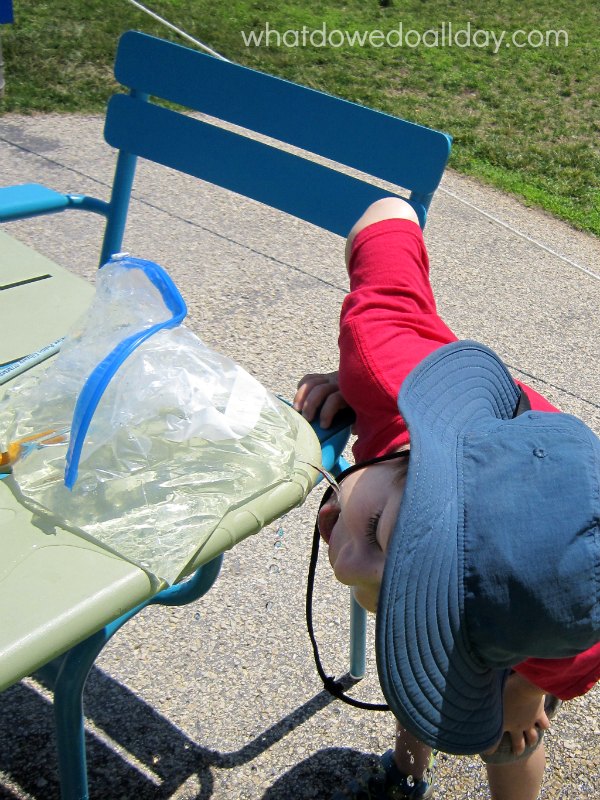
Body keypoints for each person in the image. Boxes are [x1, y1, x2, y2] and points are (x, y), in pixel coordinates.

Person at [293, 197, 600, 800]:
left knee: (510, 741)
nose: (344, 566)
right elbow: (385, 213)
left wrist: (526, 691)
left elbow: (577, 658)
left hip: (517, 613)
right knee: (417, 667)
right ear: (416, 458)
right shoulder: (388, 362)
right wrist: (354, 380)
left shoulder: (570, 597)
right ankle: (406, 775)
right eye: (378, 526)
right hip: (500, 550)